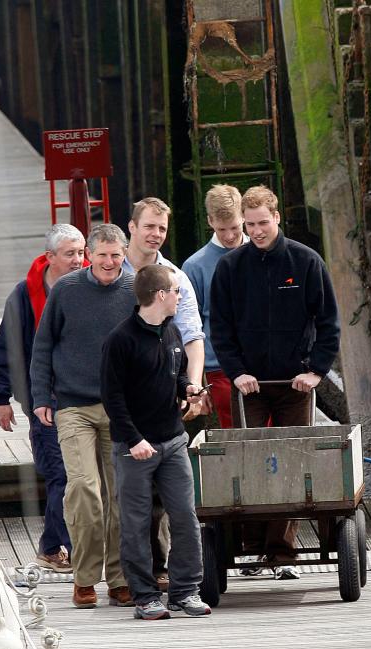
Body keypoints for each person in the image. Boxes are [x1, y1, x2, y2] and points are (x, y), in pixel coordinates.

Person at [210, 185, 341, 579]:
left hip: (294, 382)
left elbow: (328, 322)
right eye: (249, 225)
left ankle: (281, 552)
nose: (256, 231)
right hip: (251, 383)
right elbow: (221, 328)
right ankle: (250, 546)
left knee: (292, 461)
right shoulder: (230, 268)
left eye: (262, 223)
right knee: (248, 462)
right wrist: (237, 373)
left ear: (277, 217)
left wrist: (315, 371)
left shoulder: (306, 261)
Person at [30, 223, 136, 609]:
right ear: (89, 254)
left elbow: (152, 344)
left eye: (116, 254)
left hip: (120, 407)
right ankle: (86, 578)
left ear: (124, 253)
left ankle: (120, 577)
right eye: (102, 254)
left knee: (121, 496)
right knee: (84, 491)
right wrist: (42, 396)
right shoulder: (67, 290)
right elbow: (43, 347)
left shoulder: (134, 289)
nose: (109, 262)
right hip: (73, 406)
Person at [100, 264, 210, 620]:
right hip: (134, 448)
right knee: (135, 522)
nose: (180, 296)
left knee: (185, 516)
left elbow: (176, 374)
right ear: (160, 295)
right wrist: (134, 440)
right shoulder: (120, 340)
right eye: (176, 290)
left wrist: (187, 388)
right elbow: (112, 398)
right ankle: (144, 596)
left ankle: (185, 591)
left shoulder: (171, 331)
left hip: (173, 440)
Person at [0, 223, 86, 572]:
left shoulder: (89, 286)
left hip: (83, 395)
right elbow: (5, 347)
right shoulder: (23, 294)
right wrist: (1, 397)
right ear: (50, 257)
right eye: (70, 254)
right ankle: (75, 549)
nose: (79, 260)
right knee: (60, 474)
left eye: (81, 252)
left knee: (78, 475)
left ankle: (48, 546)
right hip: (42, 398)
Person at [124, 196, 207, 589]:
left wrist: (191, 387)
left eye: (162, 228)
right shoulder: (111, 269)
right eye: (149, 226)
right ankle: (129, 581)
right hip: (122, 398)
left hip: (165, 398)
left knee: (174, 498)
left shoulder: (176, 277)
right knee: (130, 502)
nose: (156, 235)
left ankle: (174, 576)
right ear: (132, 227)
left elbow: (190, 335)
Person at [182, 184, 249, 428]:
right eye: (222, 230)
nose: (230, 236)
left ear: (243, 216)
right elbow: (190, 326)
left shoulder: (264, 253)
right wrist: (198, 381)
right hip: (218, 370)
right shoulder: (194, 267)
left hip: (264, 366)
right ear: (210, 221)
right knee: (234, 440)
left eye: (234, 227)